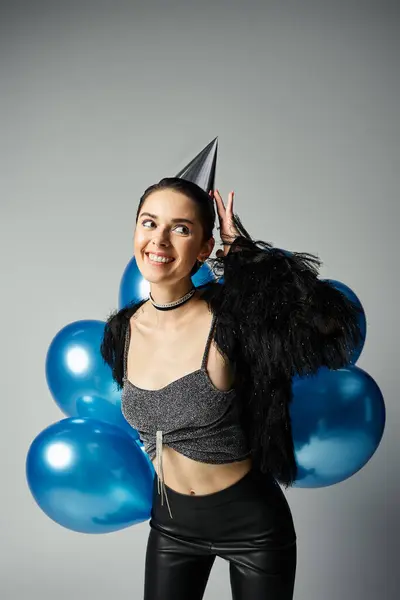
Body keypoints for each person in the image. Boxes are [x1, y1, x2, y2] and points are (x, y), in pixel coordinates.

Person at [100, 177, 362, 600]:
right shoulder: (122, 331)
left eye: (181, 229)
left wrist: (244, 255)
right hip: (172, 527)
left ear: (204, 248)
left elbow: (330, 328)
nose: (159, 240)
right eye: (149, 223)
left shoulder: (229, 318)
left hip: (252, 529)